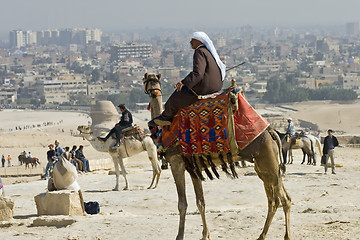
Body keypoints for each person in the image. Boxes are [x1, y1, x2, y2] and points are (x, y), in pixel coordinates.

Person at [148, 31, 226, 126]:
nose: (190, 42)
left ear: (200, 41)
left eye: (193, 40)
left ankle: (165, 118)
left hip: (204, 88)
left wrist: (183, 83)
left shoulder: (199, 52)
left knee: (175, 99)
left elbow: (198, 74)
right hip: (215, 87)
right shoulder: (208, 52)